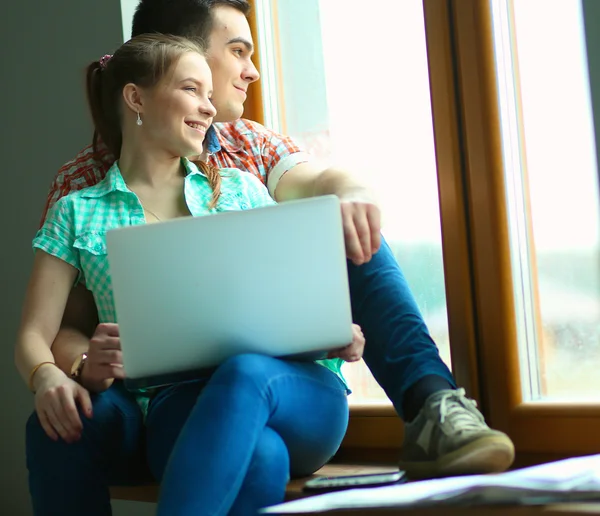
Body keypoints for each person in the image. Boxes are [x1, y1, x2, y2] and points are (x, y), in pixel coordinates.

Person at [27, 0, 514, 506]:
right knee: (260, 450)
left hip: (271, 376)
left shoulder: (247, 151)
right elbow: (65, 326)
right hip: (159, 392)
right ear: (179, 59)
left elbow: (320, 182)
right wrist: (80, 364)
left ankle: (432, 401)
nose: (251, 71)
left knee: (341, 219)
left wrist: (349, 202)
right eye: (236, 50)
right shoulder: (82, 189)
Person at [17, 33, 365, 515]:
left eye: (209, 94)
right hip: (176, 402)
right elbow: (34, 334)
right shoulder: (78, 211)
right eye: (191, 90)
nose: (207, 108)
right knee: (262, 457)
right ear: (136, 98)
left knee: (245, 372)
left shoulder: (240, 191)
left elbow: (297, 291)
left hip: (295, 389)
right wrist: (48, 378)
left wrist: (329, 325)